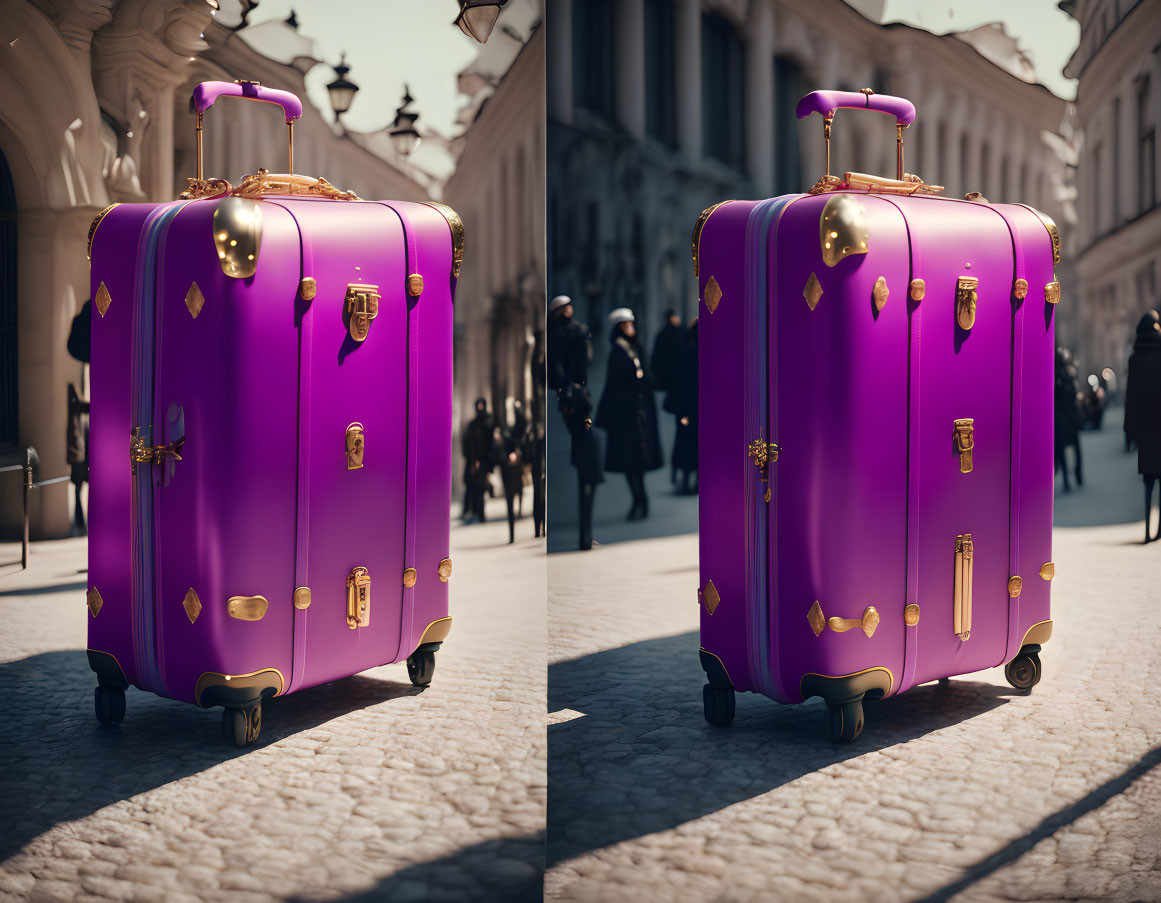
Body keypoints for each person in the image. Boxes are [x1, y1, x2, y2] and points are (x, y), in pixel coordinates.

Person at [547, 294, 603, 550]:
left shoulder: (570, 334)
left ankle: (585, 533)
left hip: (573, 402)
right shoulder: (572, 334)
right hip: (576, 404)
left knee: (585, 463)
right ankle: (584, 534)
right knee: (586, 464)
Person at [596, 308, 662, 520]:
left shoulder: (637, 348)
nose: (630, 328)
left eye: (632, 324)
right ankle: (638, 500)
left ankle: (642, 500)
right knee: (629, 462)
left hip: (641, 414)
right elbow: (614, 385)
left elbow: (646, 377)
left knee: (639, 461)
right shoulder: (617, 352)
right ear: (619, 329)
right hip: (626, 416)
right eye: (626, 325)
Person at [1124, 310, 1161, 542]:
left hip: (1146, 430)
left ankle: (1147, 529)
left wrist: (1129, 432)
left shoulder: (1135, 357)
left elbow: (1131, 398)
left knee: (1148, 481)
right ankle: (1158, 530)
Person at [663, 318, 698, 494]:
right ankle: (690, 480)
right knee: (692, 444)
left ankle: (684, 478)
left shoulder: (685, 350)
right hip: (694, 408)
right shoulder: (698, 352)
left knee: (684, 442)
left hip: (685, 408)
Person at [651, 309, 685, 484]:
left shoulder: (662, 336)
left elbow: (655, 362)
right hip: (683, 392)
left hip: (673, 391)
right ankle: (683, 472)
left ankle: (676, 470)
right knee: (684, 434)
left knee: (680, 432)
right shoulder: (683, 335)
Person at [1053, 346, 1084, 492]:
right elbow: (1075, 395)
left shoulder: (1053, 376)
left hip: (1060, 417)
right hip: (1069, 415)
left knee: (1062, 449)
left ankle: (1067, 478)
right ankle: (1078, 474)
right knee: (1076, 447)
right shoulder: (1069, 374)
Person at [499, 401, 529, 544]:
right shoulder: (502, 429)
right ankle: (512, 533)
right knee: (510, 499)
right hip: (507, 467)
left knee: (517, 492)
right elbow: (498, 450)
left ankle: (517, 515)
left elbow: (521, 441)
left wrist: (517, 454)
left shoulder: (518, 426)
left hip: (515, 467)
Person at [461, 398, 495, 523]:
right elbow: (468, 444)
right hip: (473, 461)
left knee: (480, 488)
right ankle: (475, 511)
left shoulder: (488, 423)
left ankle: (480, 513)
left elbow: (489, 444)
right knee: (473, 487)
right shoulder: (472, 425)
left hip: (484, 461)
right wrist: (470, 460)